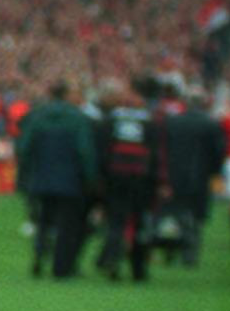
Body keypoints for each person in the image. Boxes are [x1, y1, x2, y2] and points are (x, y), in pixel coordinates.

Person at [16, 78, 99, 279]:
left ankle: (38, 255)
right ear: (67, 95)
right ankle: (60, 267)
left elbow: (23, 148)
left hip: (40, 177)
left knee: (43, 219)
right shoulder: (78, 118)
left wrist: (26, 174)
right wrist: (90, 178)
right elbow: (85, 151)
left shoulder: (36, 116)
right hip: (69, 179)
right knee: (67, 224)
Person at [94, 78, 169, 283]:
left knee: (116, 221)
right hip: (141, 180)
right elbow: (158, 155)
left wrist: (101, 178)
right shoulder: (151, 123)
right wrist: (161, 182)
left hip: (116, 177)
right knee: (139, 222)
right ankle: (138, 269)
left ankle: (112, 258)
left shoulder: (109, 121)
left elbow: (101, 152)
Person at [158, 88, 227, 270]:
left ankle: (171, 249)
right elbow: (219, 152)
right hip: (200, 176)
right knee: (196, 216)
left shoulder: (172, 123)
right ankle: (191, 252)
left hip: (174, 176)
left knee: (173, 214)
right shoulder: (211, 124)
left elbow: (162, 150)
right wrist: (215, 172)